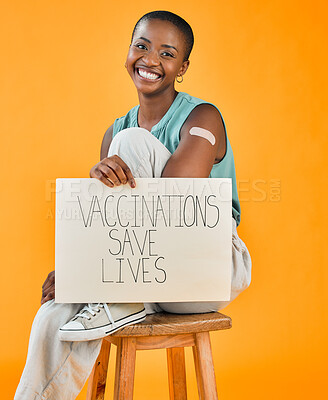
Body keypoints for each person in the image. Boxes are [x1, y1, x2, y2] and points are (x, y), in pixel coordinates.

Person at [14, 10, 252, 400]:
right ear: (128, 51)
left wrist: (96, 274)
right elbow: (112, 224)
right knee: (54, 315)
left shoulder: (203, 117)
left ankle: (118, 294)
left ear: (182, 67)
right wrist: (78, 272)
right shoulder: (114, 131)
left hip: (207, 266)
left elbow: (175, 204)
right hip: (145, 269)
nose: (151, 59)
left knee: (131, 145)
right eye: (141, 46)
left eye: (167, 53)